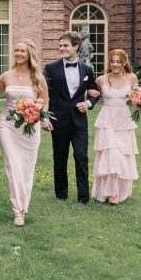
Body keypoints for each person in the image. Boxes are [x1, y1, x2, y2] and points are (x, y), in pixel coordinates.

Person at [0, 39, 49, 227]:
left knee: (26, 169)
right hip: (7, 125)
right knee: (12, 165)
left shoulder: (38, 78)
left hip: (30, 128)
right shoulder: (6, 76)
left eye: (22, 51)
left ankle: (24, 206)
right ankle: (17, 211)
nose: (18, 53)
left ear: (29, 54)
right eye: (16, 50)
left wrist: (43, 118)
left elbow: (44, 100)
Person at [42, 30, 99, 205]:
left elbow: (95, 93)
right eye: (60, 46)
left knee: (81, 158)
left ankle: (84, 197)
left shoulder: (87, 69)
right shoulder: (50, 69)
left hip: (79, 122)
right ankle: (61, 195)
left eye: (65, 45)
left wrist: (88, 103)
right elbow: (43, 95)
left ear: (76, 47)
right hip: (58, 120)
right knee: (60, 158)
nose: (62, 49)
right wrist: (45, 117)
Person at [92, 48, 139, 205]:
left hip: (123, 120)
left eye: (119, 62)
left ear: (124, 62)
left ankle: (118, 191)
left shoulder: (131, 78)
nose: (115, 64)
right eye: (112, 61)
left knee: (122, 154)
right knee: (110, 153)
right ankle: (110, 193)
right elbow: (91, 95)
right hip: (106, 120)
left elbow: (136, 98)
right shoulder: (101, 80)